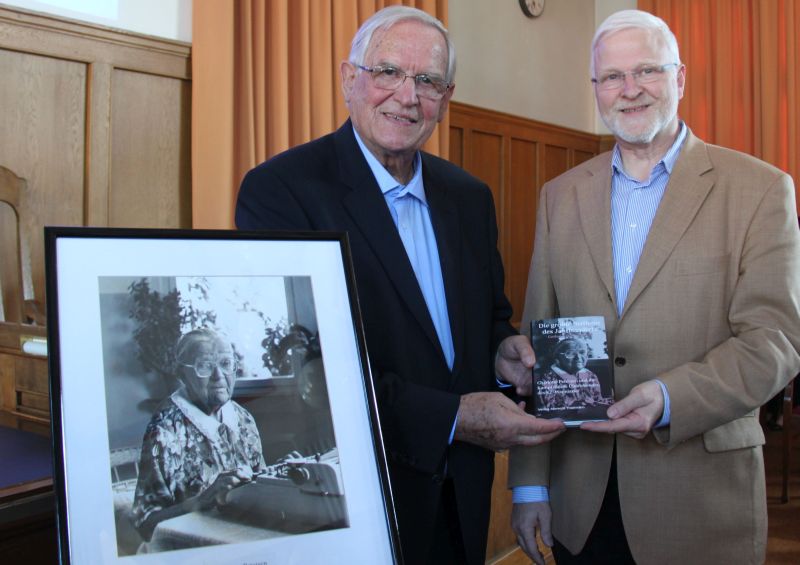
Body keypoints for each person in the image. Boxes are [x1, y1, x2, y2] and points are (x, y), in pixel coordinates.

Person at [236, 6, 564, 563]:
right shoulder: (281, 191)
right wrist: (455, 417)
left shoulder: (469, 197)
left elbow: (487, 319)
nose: (407, 96)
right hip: (359, 498)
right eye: (387, 71)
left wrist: (502, 352)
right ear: (349, 79)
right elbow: (309, 369)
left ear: (446, 96)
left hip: (462, 497)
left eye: (428, 81)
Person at [509, 9, 800, 565]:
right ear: (596, 89)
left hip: (699, 502)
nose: (630, 89)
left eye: (647, 71)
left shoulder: (760, 190)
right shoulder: (559, 196)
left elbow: (775, 341)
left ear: (680, 78)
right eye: (613, 77)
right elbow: (539, 342)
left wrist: (670, 399)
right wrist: (529, 486)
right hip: (580, 503)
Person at [132, 328, 266, 542]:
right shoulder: (164, 430)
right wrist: (201, 501)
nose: (219, 376)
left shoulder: (243, 418)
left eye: (225, 364)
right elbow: (145, 525)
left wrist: (282, 477)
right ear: (181, 374)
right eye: (204, 366)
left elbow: (261, 484)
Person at [535, 338, 608, 413]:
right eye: (570, 353)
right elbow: (547, 409)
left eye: (582, 352)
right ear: (557, 358)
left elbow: (598, 400)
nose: (578, 357)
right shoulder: (546, 377)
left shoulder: (590, 375)